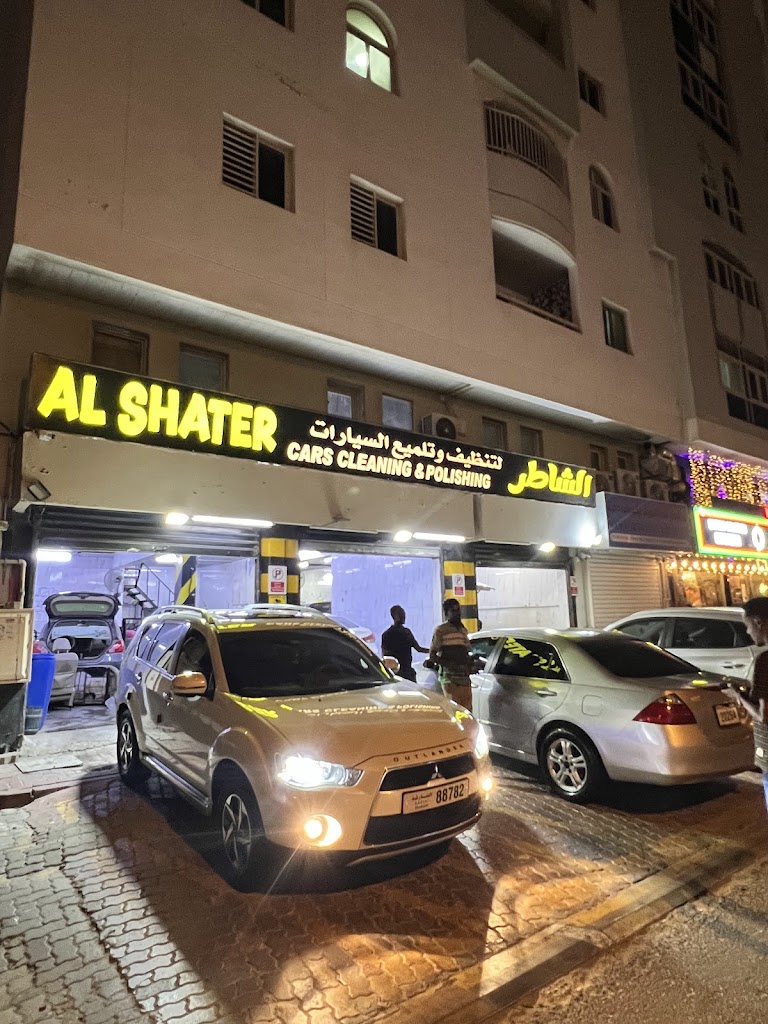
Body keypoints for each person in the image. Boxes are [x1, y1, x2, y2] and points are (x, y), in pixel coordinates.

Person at [727, 597, 768, 813]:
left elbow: (763, 715)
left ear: (759, 622)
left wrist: (738, 696)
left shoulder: (764, 662)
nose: (748, 632)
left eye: (747, 625)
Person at [429, 597, 477, 711]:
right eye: (453, 610)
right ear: (446, 613)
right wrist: (450, 664)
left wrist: (470, 663)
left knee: (467, 712)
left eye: (458, 610)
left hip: (464, 679)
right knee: (454, 711)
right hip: (450, 680)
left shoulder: (463, 630)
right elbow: (433, 655)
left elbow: (467, 651)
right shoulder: (441, 630)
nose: (457, 613)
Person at [381, 605, 428, 682]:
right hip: (403, 672)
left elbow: (385, 656)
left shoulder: (387, 634)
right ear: (394, 616)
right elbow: (419, 649)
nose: (403, 616)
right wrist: (432, 650)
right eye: (401, 614)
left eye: (403, 614)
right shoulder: (405, 632)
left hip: (398, 673)